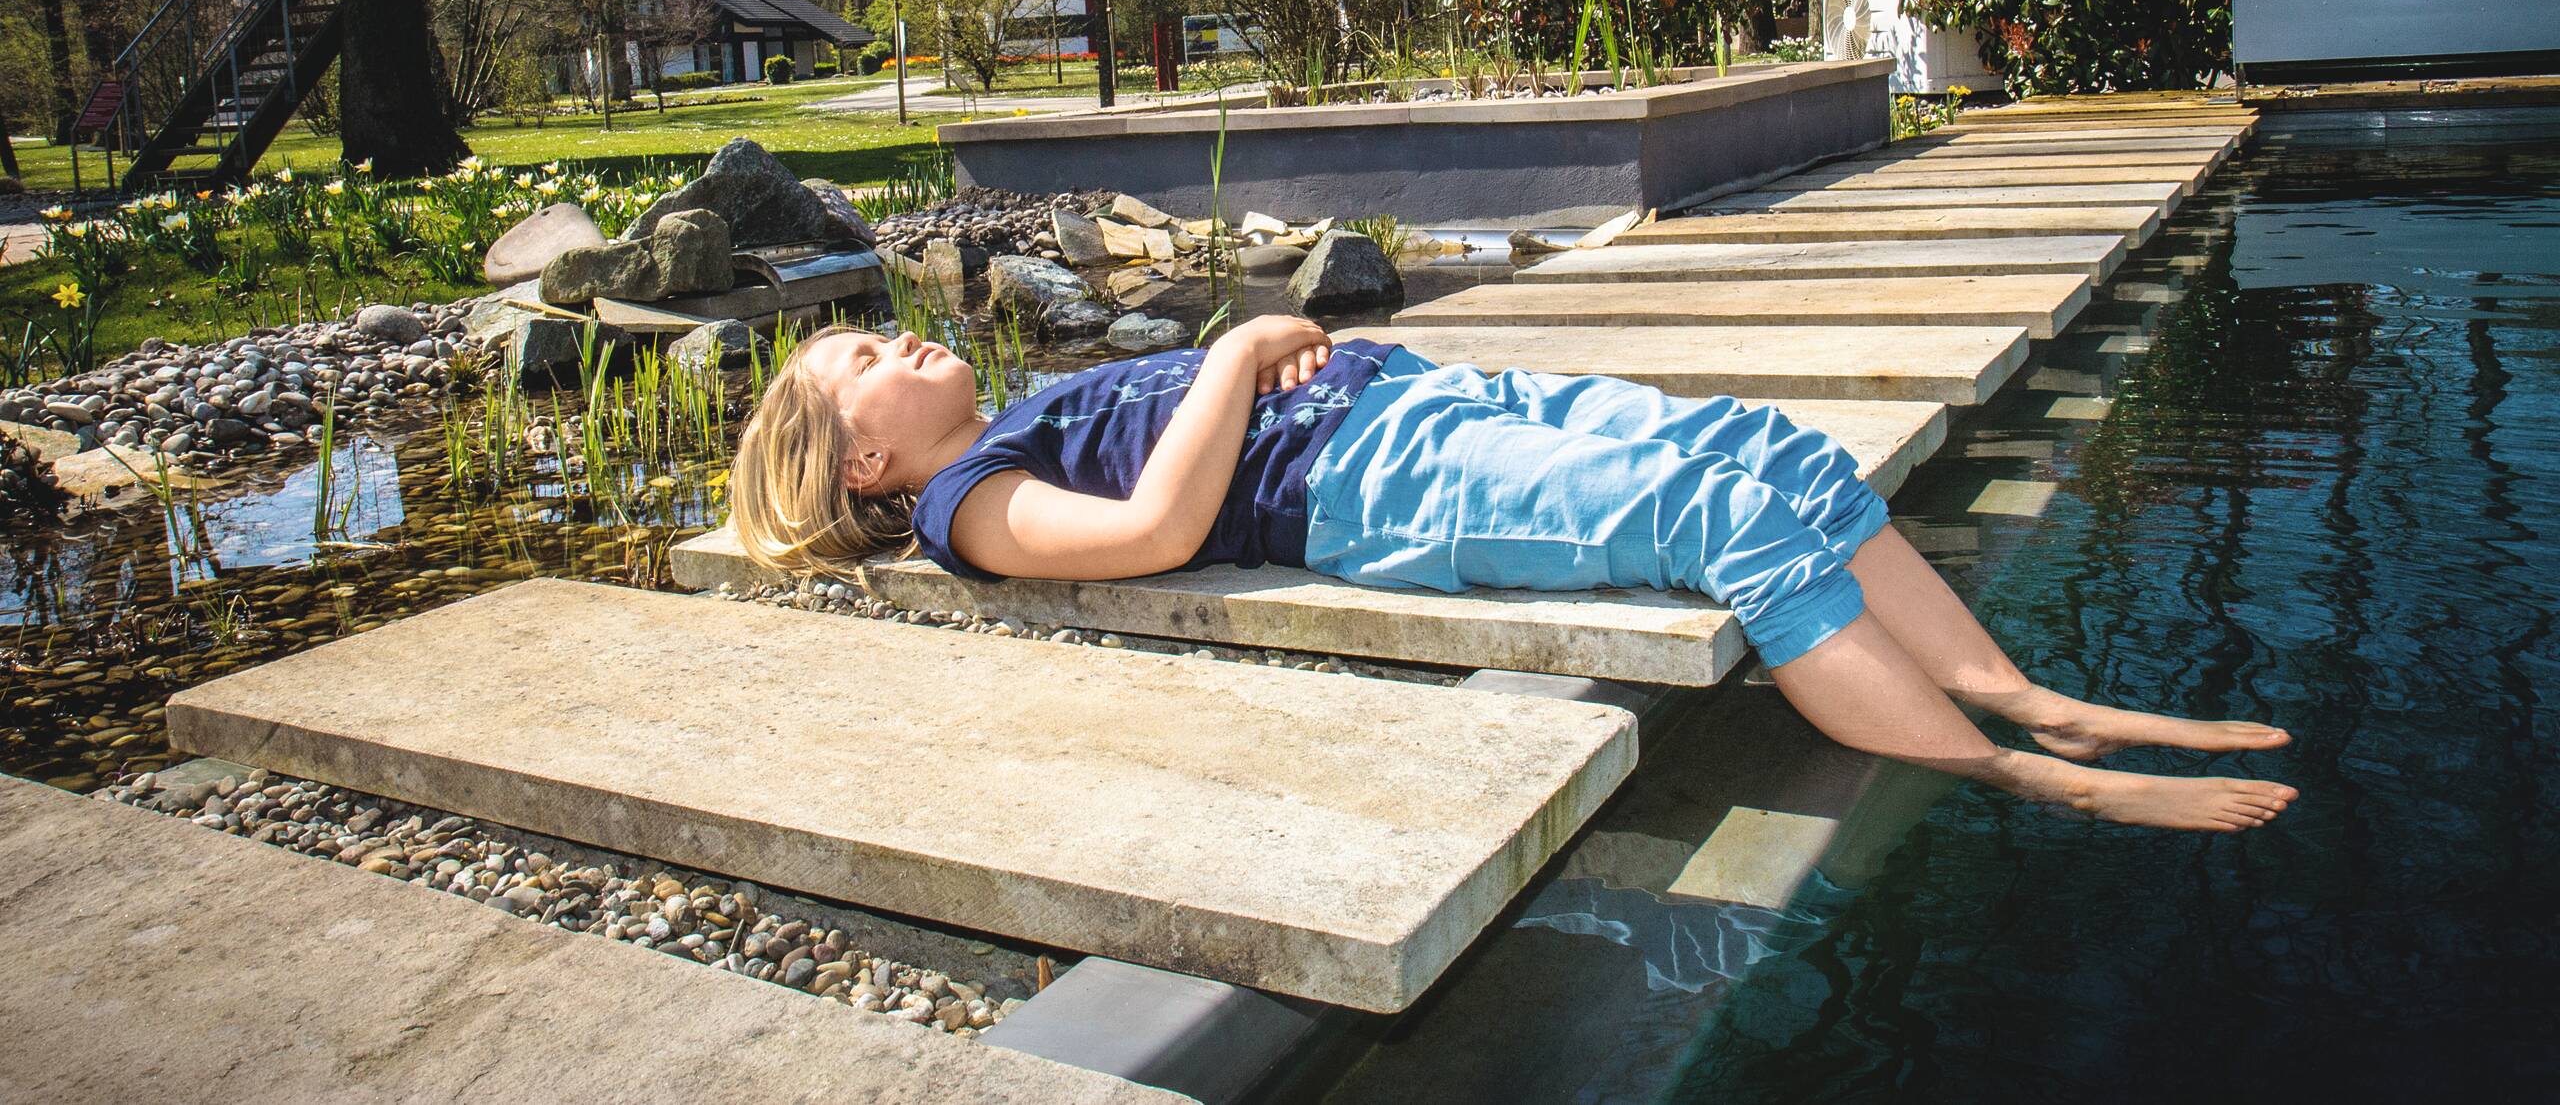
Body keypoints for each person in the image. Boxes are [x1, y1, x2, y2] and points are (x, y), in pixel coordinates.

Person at [728, 317, 2296, 833]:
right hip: (1375, 485)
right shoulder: (974, 507)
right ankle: (2027, 776)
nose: (896, 338)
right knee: (1719, 524)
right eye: (864, 360)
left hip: (1419, 402)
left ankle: (2011, 685)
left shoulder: (1001, 417)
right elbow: (1147, 534)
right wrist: (1234, 350)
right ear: (866, 462)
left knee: (1781, 460)